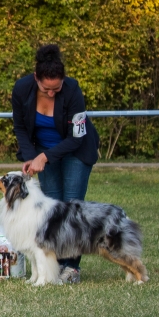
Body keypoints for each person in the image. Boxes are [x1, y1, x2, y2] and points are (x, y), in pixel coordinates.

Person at [12, 44, 100, 284]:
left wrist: (46, 157)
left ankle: (72, 267)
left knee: (71, 208)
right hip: (42, 153)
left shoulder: (73, 90)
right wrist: (31, 157)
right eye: (46, 88)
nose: (52, 93)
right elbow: (20, 127)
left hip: (76, 151)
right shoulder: (21, 89)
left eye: (56, 88)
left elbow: (77, 136)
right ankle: (53, 265)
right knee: (51, 210)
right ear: (36, 79)